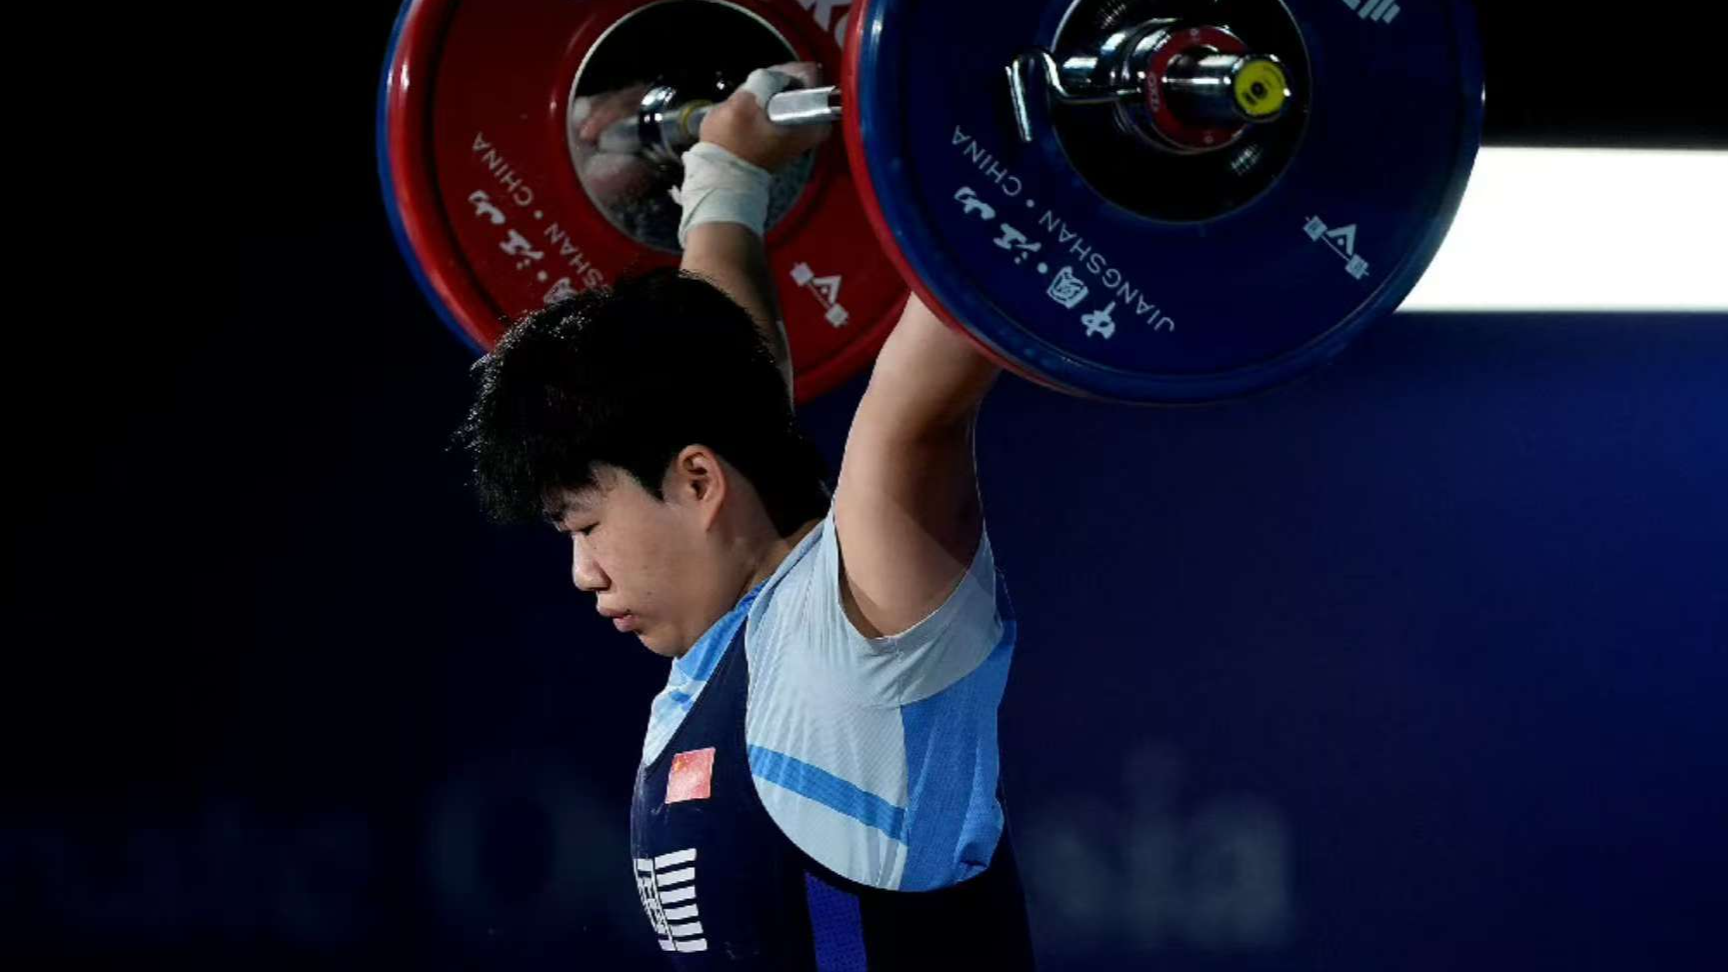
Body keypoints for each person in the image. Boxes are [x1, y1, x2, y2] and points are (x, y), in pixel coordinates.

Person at [457, 63, 1035, 969]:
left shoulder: (858, 641)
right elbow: (725, 375)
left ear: (695, 482)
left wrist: (1013, 135)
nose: (582, 573)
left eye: (582, 527)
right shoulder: (733, 647)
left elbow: (922, 400)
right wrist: (727, 174)